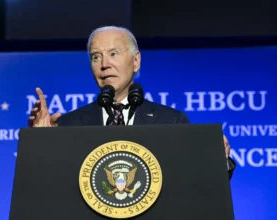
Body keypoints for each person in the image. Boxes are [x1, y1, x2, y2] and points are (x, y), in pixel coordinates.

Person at [28, 26, 236, 179]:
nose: (104, 65)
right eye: (95, 57)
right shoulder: (68, 125)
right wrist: (42, 144)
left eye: (113, 54)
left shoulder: (170, 121)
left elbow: (196, 183)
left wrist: (217, 161)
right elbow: (48, 188)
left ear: (136, 61)